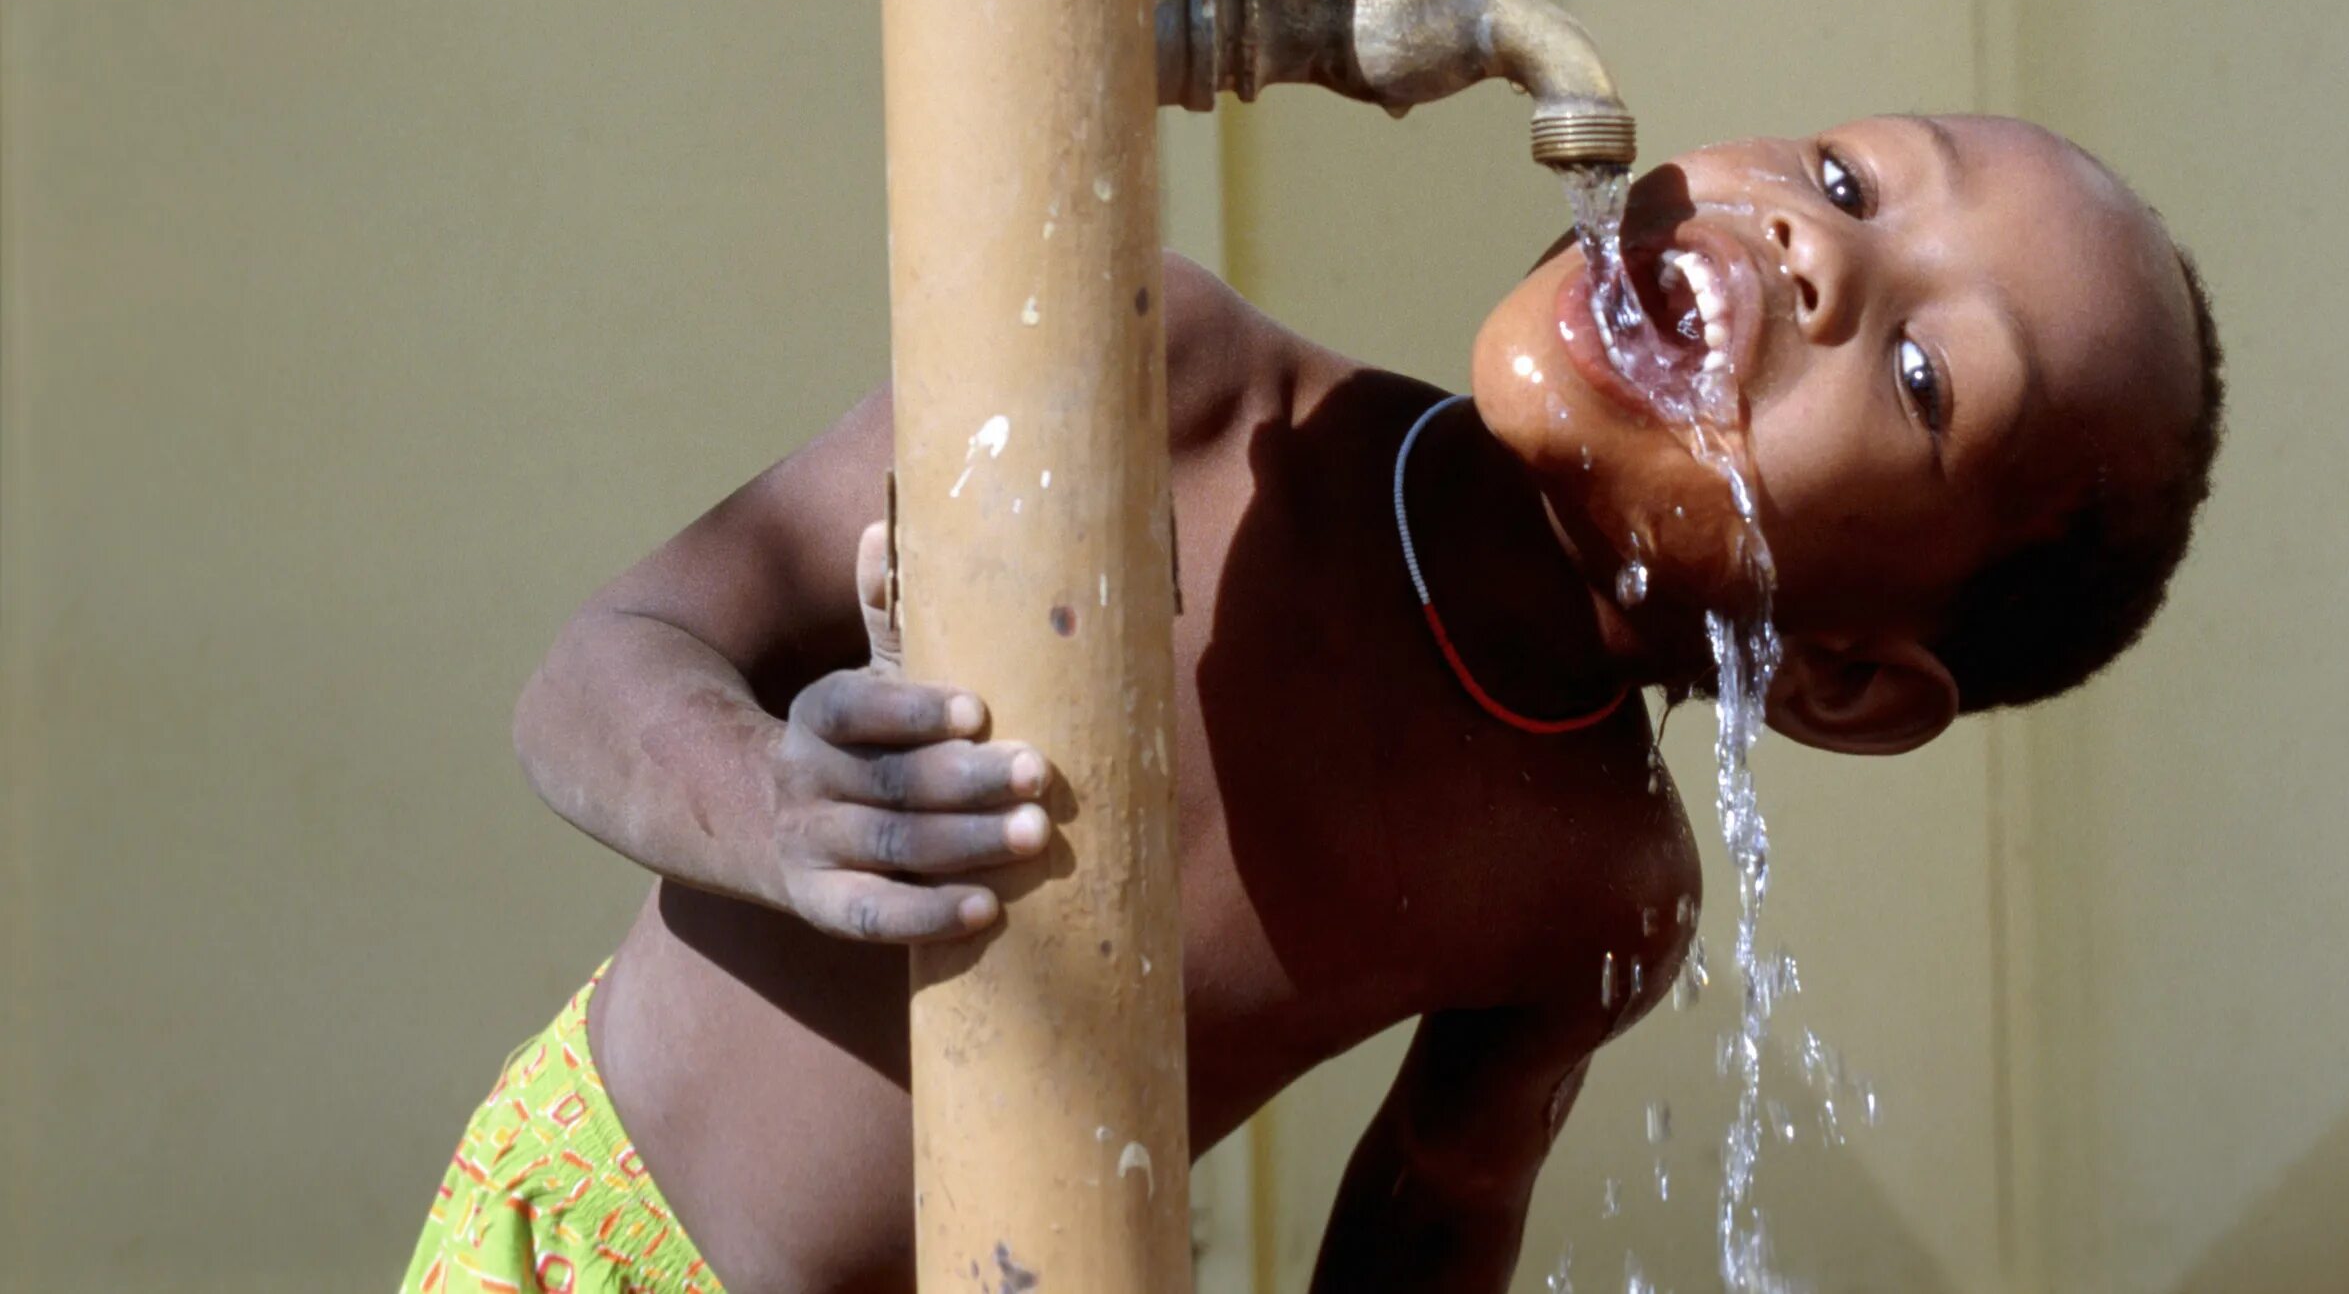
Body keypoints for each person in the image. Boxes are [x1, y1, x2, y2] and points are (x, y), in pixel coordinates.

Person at [402, 114, 2225, 1294]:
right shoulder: (1183, 386)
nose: (1816, 248)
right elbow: (598, 667)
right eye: (1843, 178)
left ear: (1835, 678)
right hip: (582, 1242)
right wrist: (774, 811)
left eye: (1918, 371)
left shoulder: (1600, 883)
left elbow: (1434, 1221)